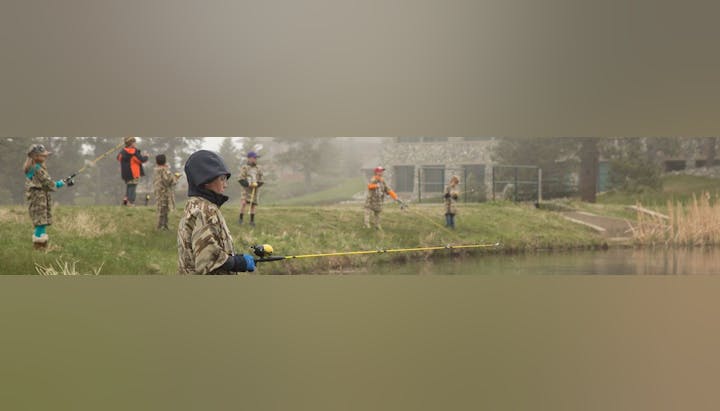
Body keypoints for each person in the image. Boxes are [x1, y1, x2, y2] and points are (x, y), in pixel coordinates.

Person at [177, 150, 256, 275]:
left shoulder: (194, 204)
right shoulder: (205, 210)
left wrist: (233, 256)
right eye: (222, 179)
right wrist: (237, 262)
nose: (226, 185)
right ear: (206, 180)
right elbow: (207, 259)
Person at [23, 144, 75, 249]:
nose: (46, 157)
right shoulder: (37, 169)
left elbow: (45, 183)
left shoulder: (34, 168)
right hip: (38, 199)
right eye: (43, 155)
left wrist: (60, 182)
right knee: (41, 222)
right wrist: (61, 183)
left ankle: (41, 245)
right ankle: (39, 246)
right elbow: (49, 184)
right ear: (36, 156)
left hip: (38, 197)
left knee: (41, 222)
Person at [117, 136, 149, 206]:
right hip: (133, 173)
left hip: (125, 174)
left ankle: (125, 202)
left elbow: (118, 158)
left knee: (129, 187)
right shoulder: (133, 152)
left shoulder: (122, 152)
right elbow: (141, 160)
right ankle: (130, 203)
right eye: (134, 142)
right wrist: (146, 156)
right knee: (132, 188)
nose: (135, 144)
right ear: (131, 143)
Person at [153, 154, 179, 230]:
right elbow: (169, 181)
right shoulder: (165, 170)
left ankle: (164, 226)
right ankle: (160, 226)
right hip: (164, 193)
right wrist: (176, 178)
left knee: (162, 209)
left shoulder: (156, 170)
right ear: (165, 161)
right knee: (163, 210)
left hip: (158, 192)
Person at [237, 151, 264, 226]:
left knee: (253, 205)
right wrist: (248, 184)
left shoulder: (258, 168)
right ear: (249, 158)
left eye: (256, 158)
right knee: (243, 203)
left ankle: (252, 221)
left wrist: (257, 184)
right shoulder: (245, 168)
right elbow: (240, 179)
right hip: (246, 190)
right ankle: (240, 219)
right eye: (254, 158)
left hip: (254, 190)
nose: (255, 160)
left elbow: (261, 179)